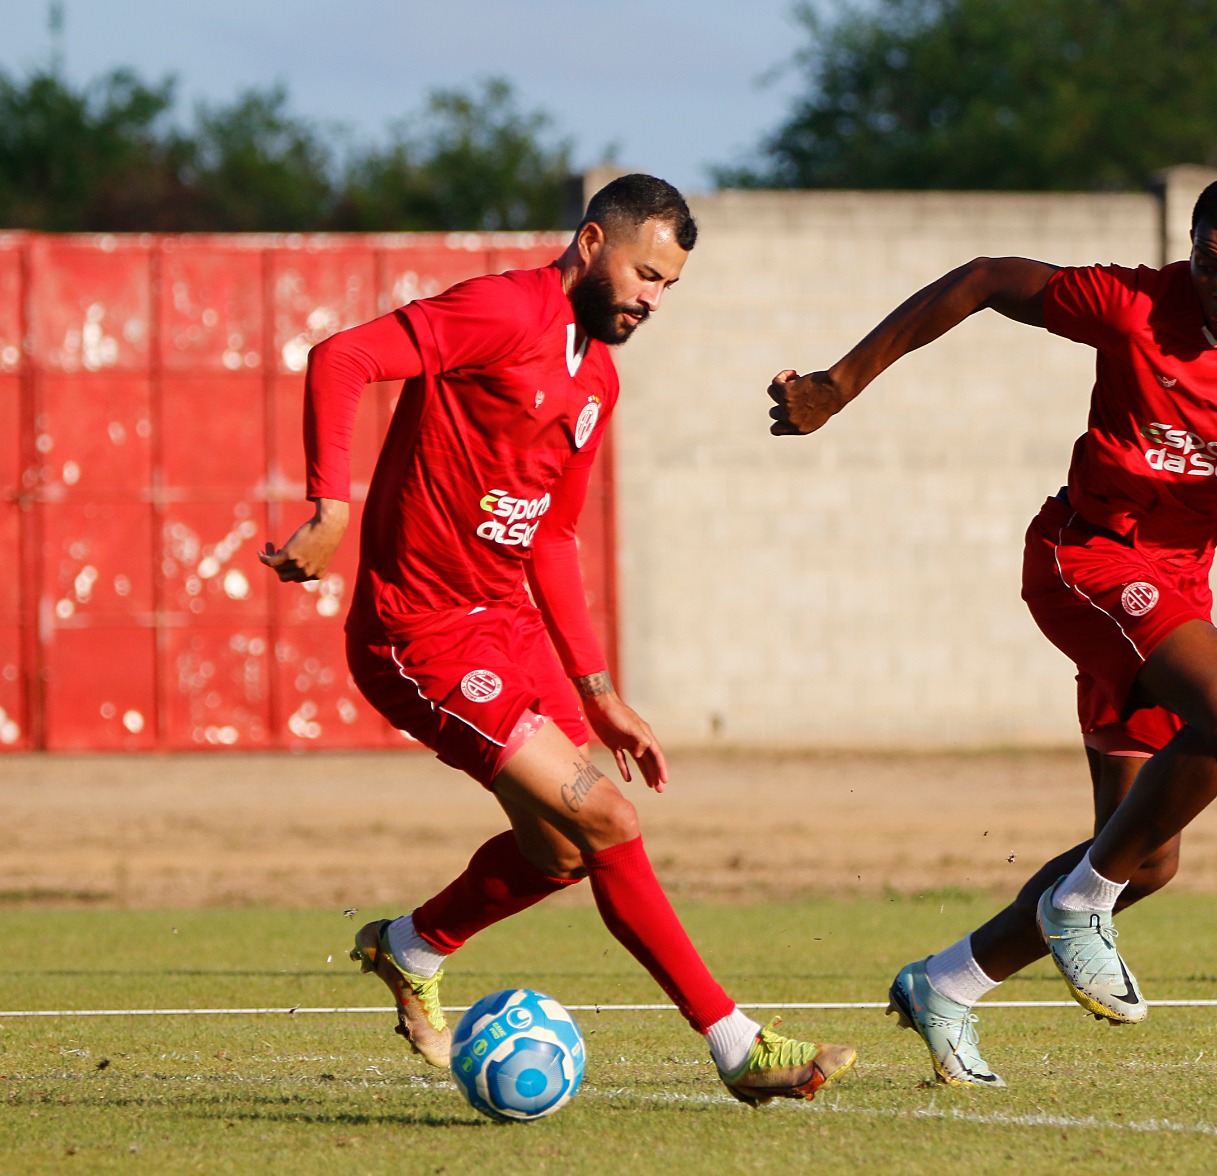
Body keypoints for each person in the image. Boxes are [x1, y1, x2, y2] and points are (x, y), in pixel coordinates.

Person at [766, 173, 1217, 1088]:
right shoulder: (1129, 304)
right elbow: (987, 277)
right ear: (1187, 257)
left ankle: (945, 984)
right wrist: (838, 385)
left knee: (1144, 857)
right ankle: (1081, 906)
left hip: (1175, 592)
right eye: (1206, 268)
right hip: (1087, 564)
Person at [261, 173, 854, 1107]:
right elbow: (340, 358)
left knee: (565, 854)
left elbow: (553, 534)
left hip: (504, 631)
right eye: (644, 275)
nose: (652, 300)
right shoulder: (503, 310)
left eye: (667, 287)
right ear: (589, 244)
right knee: (610, 820)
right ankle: (738, 1047)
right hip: (418, 635)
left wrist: (599, 690)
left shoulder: (598, 379)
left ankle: (409, 946)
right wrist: (330, 507)